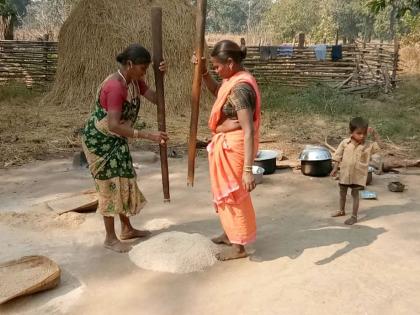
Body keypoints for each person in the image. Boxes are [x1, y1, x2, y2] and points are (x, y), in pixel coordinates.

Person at [82, 44, 168, 253]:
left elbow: (157, 99)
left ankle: (127, 229)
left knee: (123, 179)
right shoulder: (116, 87)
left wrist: (160, 76)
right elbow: (113, 125)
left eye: (147, 69)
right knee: (110, 184)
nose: (144, 73)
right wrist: (148, 135)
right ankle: (110, 238)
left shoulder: (134, 82)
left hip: (116, 138)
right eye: (142, 68)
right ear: (129, 64)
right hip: (101, 141)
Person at [195, 40, 261, 260]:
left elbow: (249, 130)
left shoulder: (241, 88)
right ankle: (229, 233)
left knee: (234, 195)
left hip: (235, 148)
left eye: (217, 66)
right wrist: (204, 73)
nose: (216, 70)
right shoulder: (231, 80)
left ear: (230, 62)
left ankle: (239, 247)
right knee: (225, 195)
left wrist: (248, 170)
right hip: (226, 144)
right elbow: (218, 92)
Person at [330, 117, 380, 225]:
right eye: (359, 133)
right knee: (342, 193)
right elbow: (337, 156)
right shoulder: (345, 143)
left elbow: (378, 146)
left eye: (364, 133)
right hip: (344, 174)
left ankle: (354, 216)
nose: (362, 136)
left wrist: (374, 134)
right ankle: (341, 210)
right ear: (351, 132)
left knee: (355, 194)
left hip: (358, 176)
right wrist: (335, 168)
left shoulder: (367, 145)